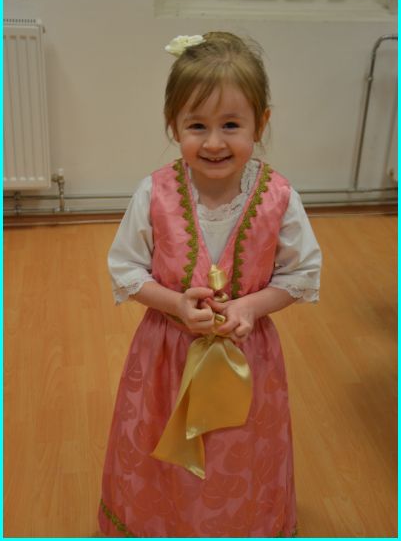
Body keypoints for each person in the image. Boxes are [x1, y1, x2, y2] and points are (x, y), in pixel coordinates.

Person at [98, 31, 321, 537]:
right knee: (165, 445)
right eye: (197, 125)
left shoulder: (280, 197)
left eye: (231, 125)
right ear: (172, 124)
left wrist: (253, 306)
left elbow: (302, 273)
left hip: (248, 357)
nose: (214, 142)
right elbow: (126, 269)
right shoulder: (153, 193)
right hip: (167, 356)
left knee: (237, 450)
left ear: (261, 123)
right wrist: (174, 302)